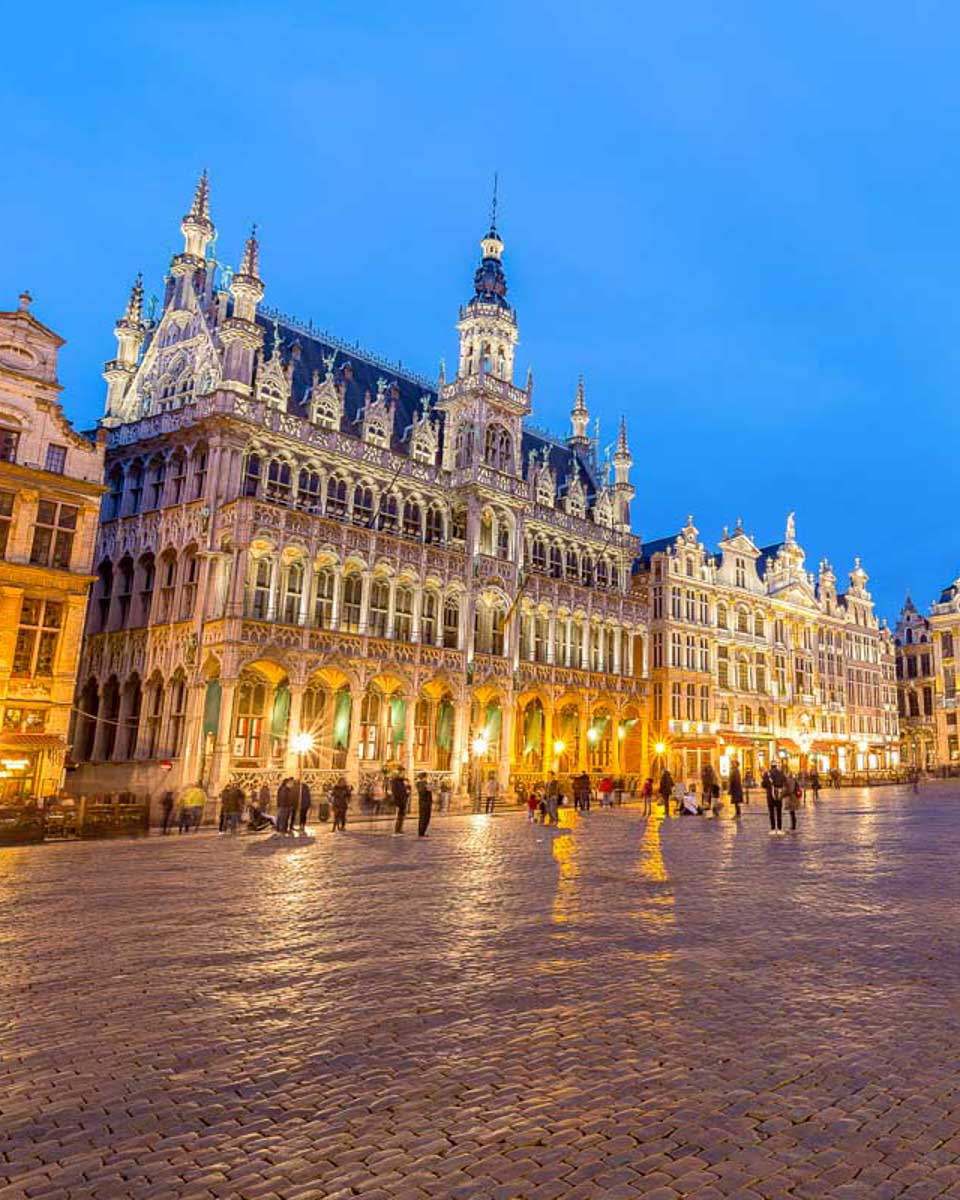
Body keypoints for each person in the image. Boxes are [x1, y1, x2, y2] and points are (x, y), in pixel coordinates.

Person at [762, 767, 782, 834]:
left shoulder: (767, 774)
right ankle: (779, 828)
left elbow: (763, 785)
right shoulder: (780, 772)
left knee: (771, 812)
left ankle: (773, 828)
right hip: (779, 795)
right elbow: (784, 782)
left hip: (770, 795)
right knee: (779, 812)